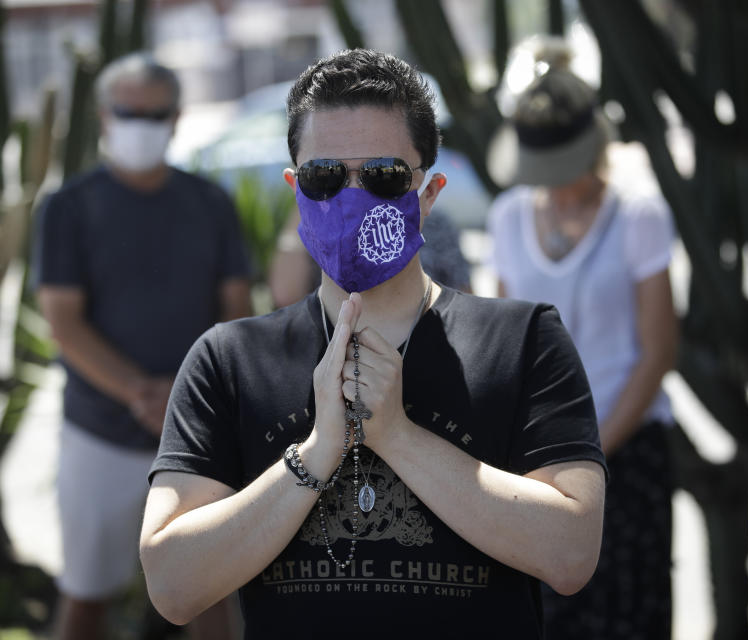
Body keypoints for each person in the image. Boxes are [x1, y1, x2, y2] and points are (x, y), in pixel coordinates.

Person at [139, 48, 607, 639]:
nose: (351, 198)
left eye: (383, 176)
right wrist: (313, 455)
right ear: (296, 189)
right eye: (324, 176)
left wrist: (397, 437)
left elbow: (571, 556)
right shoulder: (228, 361)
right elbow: (173, 587)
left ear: (428, 192)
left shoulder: (524, 339)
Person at [33, 52, 253, 640]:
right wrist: (142, 393)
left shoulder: (210, 204)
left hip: (197, 442)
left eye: (156, 115)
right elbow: (63, 322)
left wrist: (186, 403)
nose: (142, 124)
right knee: (85, 602)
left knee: (211, 602)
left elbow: (235, 311)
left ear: (176, 119)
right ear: (104, 116)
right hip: (99, 434)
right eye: (129, 112)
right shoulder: (67, 207)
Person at [486, 35, 678, 639]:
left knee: (630, 613)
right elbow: (500, 342)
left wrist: (594, 449)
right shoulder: (508, 218)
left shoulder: (638, 215)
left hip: (630, 449)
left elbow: (658, 350)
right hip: (536, 467)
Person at [268, 204, 473, 309]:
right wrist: (306, 201)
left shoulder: (435, 223)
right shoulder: (323, 226)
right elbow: (286, 294)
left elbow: (465, 305)